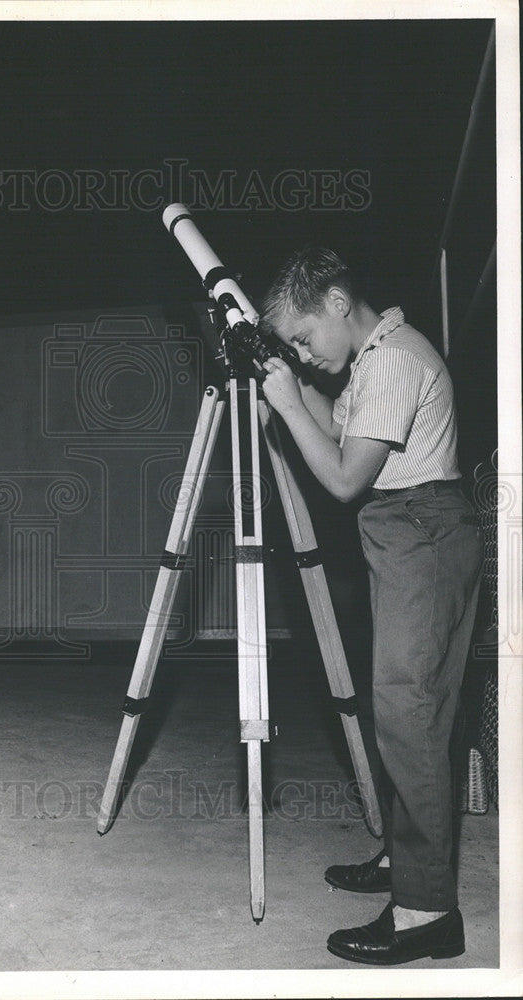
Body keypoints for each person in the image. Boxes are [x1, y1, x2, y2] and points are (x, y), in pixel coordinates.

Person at [256, 247, 483, 966]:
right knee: (402, 713)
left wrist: (287, 405)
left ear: (333, 301)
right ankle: (404, 861)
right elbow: (338, 422)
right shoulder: (376, 356)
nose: (304, 351)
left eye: (301, 336)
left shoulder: (389, 362)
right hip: (408, 535)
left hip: (419, 531)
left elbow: (346, 477)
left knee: (410, 715)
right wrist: (295, 386)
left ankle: (427, 916)